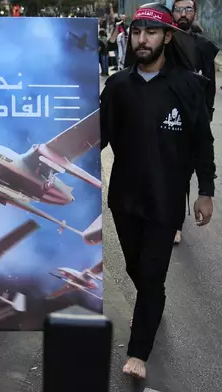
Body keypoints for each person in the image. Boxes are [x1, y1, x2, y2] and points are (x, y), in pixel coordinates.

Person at [100, 3, 215, 380]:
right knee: (136, 268)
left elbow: (202, 141)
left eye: (150, 32)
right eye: (136, 32)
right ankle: (151, 302)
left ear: (167, 37)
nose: (141, 39)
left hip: (166, 200)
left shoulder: (188, 85)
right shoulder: (117, 87)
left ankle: (139, 352)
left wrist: (205, 191)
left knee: (152, 274)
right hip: (124, 198)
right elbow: (98, 139)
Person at [171, 0, 219, 244]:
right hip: (167, 119)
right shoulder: (165, 41)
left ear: (194, 14)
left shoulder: (203, 47)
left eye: (188, 9)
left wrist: (205, 117)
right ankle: (170, 221)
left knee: (184, 173)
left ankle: (176, 223)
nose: (183, 13)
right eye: (179, 9)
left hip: (193, 120)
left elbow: (208, 86)